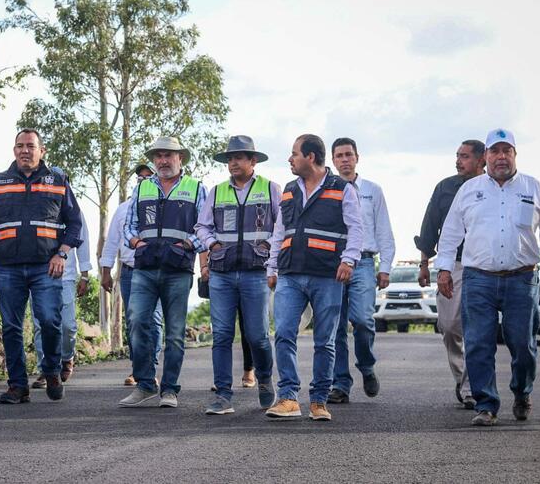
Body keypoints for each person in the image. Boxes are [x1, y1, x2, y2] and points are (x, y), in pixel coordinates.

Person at [436, 129, 540, 426]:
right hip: (479, 279)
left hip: (522, 280)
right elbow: (450, 233)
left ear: (514, 154)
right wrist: (444, 269)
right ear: (486, 157)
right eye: (495, 151)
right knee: (478, 343)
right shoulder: (470, 190)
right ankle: (486, 405)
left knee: (523, 345)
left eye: (506, 150)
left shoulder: (533, 187)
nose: (501, 157)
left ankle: (522, 392)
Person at [0, 129, 83, 404]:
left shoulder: (58, 181)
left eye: (31, 146)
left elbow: (75, 224)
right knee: (11, 326)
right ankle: (17, 386)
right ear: (14, 151)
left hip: (46, 266)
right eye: (20, 146)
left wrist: (61, 253)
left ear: (42, 150)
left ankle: (51, 371)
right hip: (9, 267)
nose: (25, 151)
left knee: (49, 320)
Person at [265, 134, 362, 421]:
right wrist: (272, 267)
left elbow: (356, 228)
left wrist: (349, 260)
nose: (290, 159)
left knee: (325, 340)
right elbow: (279, 231)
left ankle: (319, 400)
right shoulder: (290, 190)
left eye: (294, 153)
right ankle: (287, 397)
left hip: (327, 274)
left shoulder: (342, 189)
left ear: (310, 157)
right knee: (283, 334)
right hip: (291, 273)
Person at [118, 136, 208, 408]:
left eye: (169, 155)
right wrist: (136, 242)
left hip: (178, 270)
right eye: (158, 155)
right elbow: (128, 225)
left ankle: (169, 389)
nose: (163, 160)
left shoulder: (196, 188)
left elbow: (205, 227)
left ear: (180, 158)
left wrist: (187, 246)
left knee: (175, 333)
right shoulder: (143, 187)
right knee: (136, 322)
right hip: (144, 268)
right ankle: (145, 384)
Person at [194, 135, 278, 415]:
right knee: (222, 335)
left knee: (257, 336)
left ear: (253, 161)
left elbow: (283, 226)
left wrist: (270, 250)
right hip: (222, 273)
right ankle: (223, 395)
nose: (232, 162)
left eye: (238, 158)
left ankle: (264, 378)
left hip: (256, 273)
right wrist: (212, 244)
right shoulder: (217, 192)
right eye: (230, 158)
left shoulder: (270, 189)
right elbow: (201, 227)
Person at [414, 139, 485, 409]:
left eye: (465, 156)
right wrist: (424, 264)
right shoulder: (445, 187)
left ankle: (470, 387)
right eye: (457, 155)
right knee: (450, 326)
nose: (458, 161)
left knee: (475, 327)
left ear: (481, 160)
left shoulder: (490, 188)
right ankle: (461, 376)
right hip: (450, 264)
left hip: (480, 265)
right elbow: (430, 225)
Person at [328, 137, 395, 404]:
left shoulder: (372, 190)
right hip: (332, 265)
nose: (344, 159)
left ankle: (366, 367)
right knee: (335, 327)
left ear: (357, 157)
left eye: (348, 155)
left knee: (363, 321)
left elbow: (383, 229)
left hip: (364, 263)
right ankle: (340, 384)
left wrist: (386, 267)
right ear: (332, 161)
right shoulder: (328, 189)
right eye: (339, 156)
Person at [100, 164, 163, 386]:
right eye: (139, 177)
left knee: (153, 320)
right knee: (134, 321)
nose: (143, 180)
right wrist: (106, 271)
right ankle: (138, 369)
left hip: (154, 270)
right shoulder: (124, 209)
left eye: (149, 176)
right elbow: (111, 243)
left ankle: (150, 368)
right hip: (129, 272)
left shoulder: (162, 206)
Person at [31, 210, 92, 388]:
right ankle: (47, 369)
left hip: (66, 275)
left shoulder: (74, 210)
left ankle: (67, 357)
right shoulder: (38, 198)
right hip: (38, 274)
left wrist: (85, 275)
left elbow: (83, 241)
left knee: (67, 325)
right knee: (40, 324)